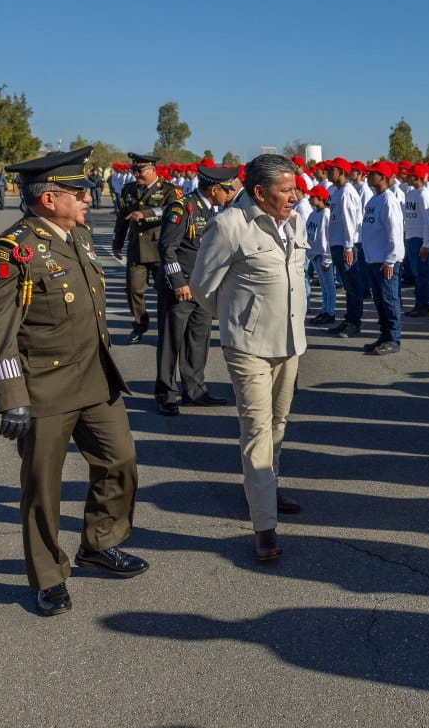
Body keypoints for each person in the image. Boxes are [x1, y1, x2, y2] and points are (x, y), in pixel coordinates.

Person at [0, 147, 147, 616]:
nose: (89, 198)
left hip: (96, 380)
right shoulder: (11, 251)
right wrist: (10, 398)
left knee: (120, 461)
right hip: (43, 388)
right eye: (80, 191)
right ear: (49, 198)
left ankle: (99, 542)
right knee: (42, 487)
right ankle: (48, 575)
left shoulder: (79, 236)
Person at [193, 154, 308, 563]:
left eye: (295, 188)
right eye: (286, 190)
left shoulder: (293, 220)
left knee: (278, 424)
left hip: (290, 342)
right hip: (248, 346)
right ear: (259, 193)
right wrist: (238, 321)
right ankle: (264, 524)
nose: (295, 196)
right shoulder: (230, 225)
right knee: (257, 429)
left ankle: (268, 487)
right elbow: (203, 288)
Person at [153, 165, 240, 416]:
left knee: (198, 341)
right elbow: (167, 248)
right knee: (172, 342)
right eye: (226, 190)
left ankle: (194, 390)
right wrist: (179, 282)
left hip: (201, 289)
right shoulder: (182, 208)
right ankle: (165, 393)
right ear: (214, 190)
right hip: (179, 288)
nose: (229, 194)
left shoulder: (215, 210)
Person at [111, 152, 179, 344]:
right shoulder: (129, 189)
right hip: (136, 249)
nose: (136, 174)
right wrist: (117, 242)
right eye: (133, 170)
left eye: (140, 170)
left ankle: (166, 328)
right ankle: (139, 325)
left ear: (152, 170)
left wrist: (146, 214)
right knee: (133, 290)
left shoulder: (168, 189)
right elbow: (122, 217)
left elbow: (170, 209)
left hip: (159, 249)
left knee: (165, 292)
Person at [361, 161, 405, 355]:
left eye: (373, 174)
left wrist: (390, 260)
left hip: (385, 261)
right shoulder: (373, 200)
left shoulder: (389, 200)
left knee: (389, 300)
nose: (369, 177)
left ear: (384, 178)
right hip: (373, 260)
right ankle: (384, 335)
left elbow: (394, 232)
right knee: (379, 301)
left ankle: (393, 339)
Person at [326, 158, 365, 338]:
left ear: (341, 172)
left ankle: (355, 323)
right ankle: (349, 319)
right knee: (349, 286)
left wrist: (348, 247)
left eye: (331, 170)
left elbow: (350, 222)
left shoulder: (347, 192)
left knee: (353, 286)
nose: (328, 173)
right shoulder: (337, 192)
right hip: (337, 244)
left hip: (346, 245)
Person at [402, 164, 429, 317]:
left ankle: (425, 305)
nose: (406, 177)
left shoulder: (424, 194)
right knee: (417, 274)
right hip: (410, 237)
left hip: (420, 238)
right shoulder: (411, 193)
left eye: (410, 175)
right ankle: (419, 304)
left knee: (422, 273)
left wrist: (426, 243)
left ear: (416, 178)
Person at [306, 185, 336, 325]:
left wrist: (327, 259)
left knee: (329, 285)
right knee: (323, 285)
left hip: (323, 255)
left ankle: (330, 312)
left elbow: (326, 239)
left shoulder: (326, 214)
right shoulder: (313, 214)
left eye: (313, 196)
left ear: (321, 198)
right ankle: (324, 310)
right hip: (315, 254)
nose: (310, 199)